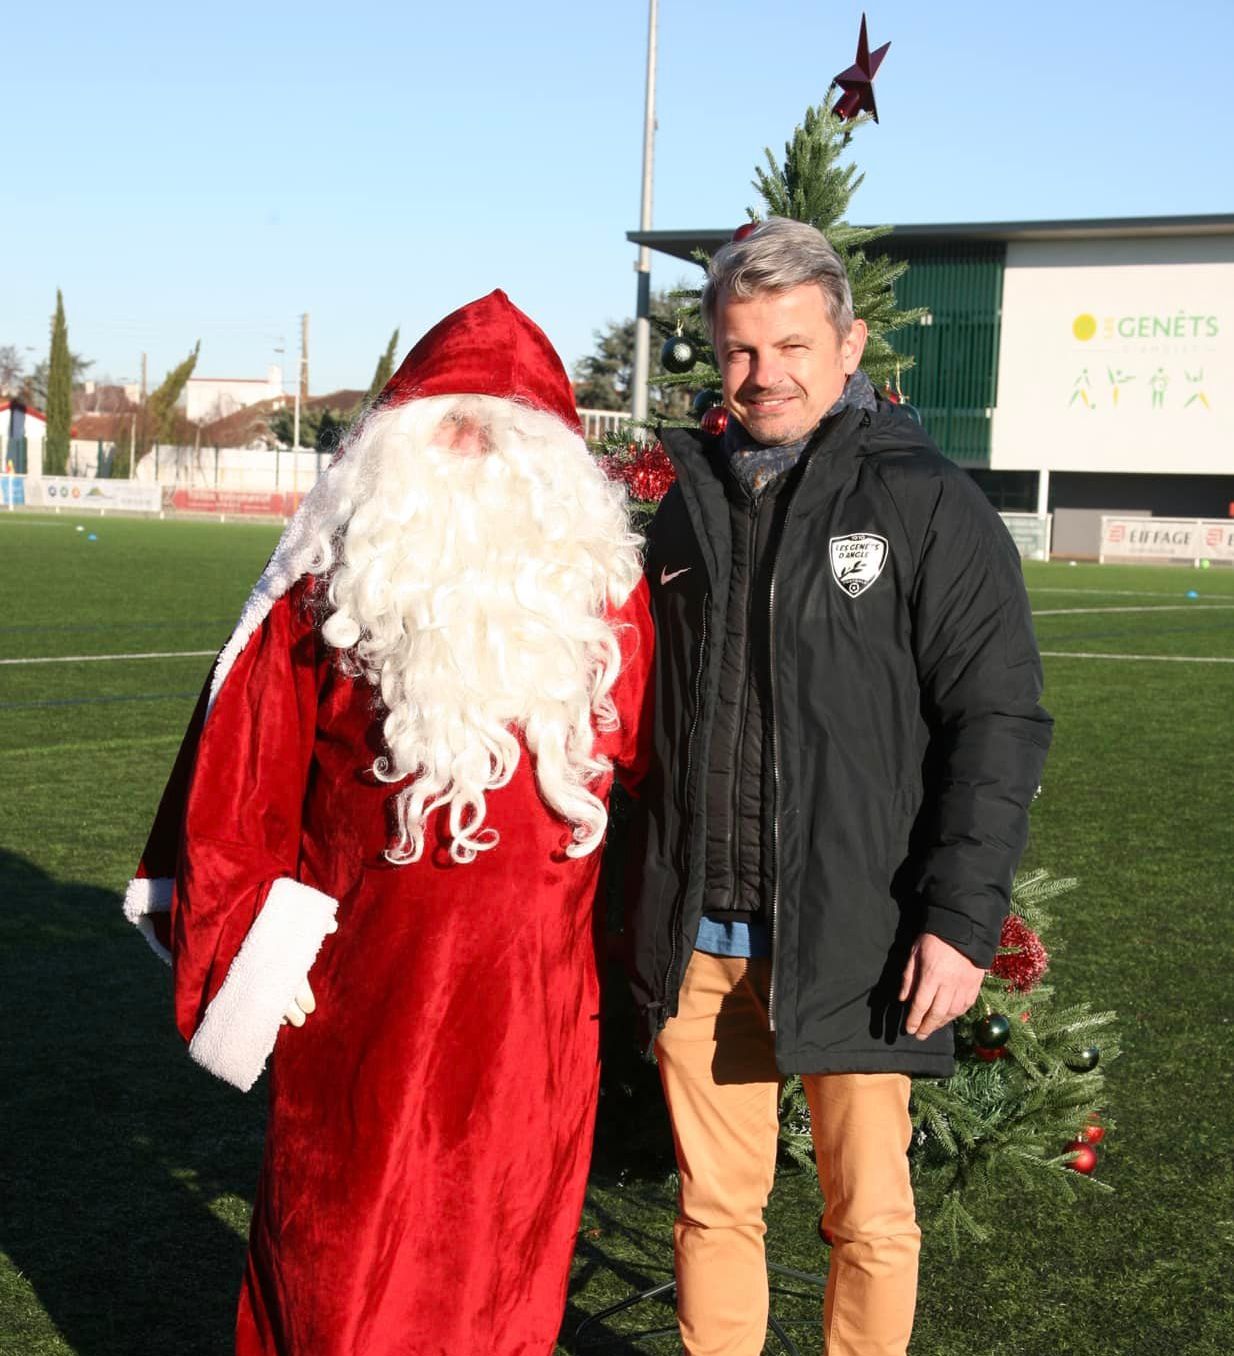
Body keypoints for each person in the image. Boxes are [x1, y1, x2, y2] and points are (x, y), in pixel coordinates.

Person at [123, 291, 654, 1356]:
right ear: (392, 448)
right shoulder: (324, 590)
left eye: (499, 431)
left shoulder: (602, 602)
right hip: (361, 991)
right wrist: (247, 960)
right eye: (449, 422)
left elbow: (649, 792)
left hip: (536, 1008)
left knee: (505, 1250)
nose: (470, 446)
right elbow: (239, 790)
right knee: (337, 1254)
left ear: (549, 465)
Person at [624, 218, 1052, 1356]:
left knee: (867, 1219)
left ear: (849, 343)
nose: (763, 376)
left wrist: (958, 925)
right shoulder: (687, 504)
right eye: (739, 351)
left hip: (857, 936)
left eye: (791, 346)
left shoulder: (922, 502)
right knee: (715, 1208)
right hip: (701, 943)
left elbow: (997, 719)